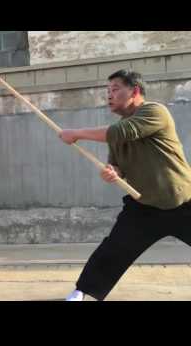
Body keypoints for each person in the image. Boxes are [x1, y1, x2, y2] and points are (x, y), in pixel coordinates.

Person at [59, 69, 191, 301]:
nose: (109, 95)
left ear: (135, 91)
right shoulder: (117, 132)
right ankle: (82, 292)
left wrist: (76, 133)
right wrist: (113, 172)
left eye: (115, 89)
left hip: (183, 201)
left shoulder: (155, 111)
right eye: (107, 91)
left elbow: (124, 131)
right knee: (114, 250)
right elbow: (116, 165)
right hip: (144, 207)